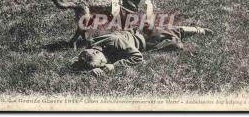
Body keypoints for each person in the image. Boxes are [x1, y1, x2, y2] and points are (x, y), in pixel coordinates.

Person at [71, 26, 213, 77]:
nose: (104, 64)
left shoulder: (115, 42)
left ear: (96, 53)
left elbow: (138, 57)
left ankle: (196, 30)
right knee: (166, 32)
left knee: (175, 43)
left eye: (102, 63)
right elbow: (85, 58)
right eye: (102, 64)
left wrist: (114, 65)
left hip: (145, 40)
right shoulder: (92, 46)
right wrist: (81, 65)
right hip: (134, 33)